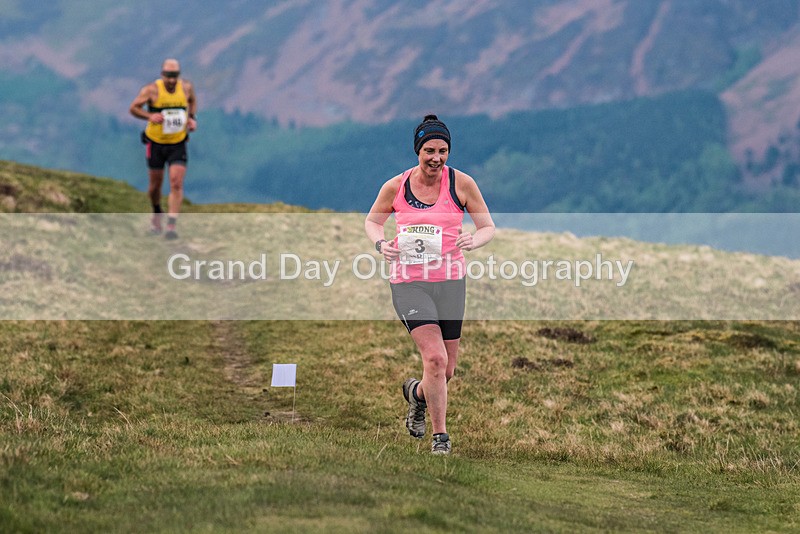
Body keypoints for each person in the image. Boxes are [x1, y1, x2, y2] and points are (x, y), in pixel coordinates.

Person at [365, 114, 495, 455]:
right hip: (409, 283)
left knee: (446, 371)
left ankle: (416, 393)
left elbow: (488, 226)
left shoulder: (462, 184)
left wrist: (474, 240)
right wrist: (381, 244)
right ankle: (441, 438)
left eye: (442, 151)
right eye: (429, 151)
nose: (436, 158)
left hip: (451, 282)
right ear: (417, 151)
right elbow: (373, 221)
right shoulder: (396, 186)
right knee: (435, 359)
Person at [129, 58, 197, 239]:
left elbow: (192, 101)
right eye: (168, 76)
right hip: (155, 143)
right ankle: (157, 211)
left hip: (177, 143)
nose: (172, 80)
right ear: (162, 74)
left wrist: (191, 118)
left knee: (176, 182)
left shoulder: (186, 87)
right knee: (154, 187)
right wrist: (149, 116)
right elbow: (133, 108)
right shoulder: (151, 90)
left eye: (175, 75)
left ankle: (171, 226)